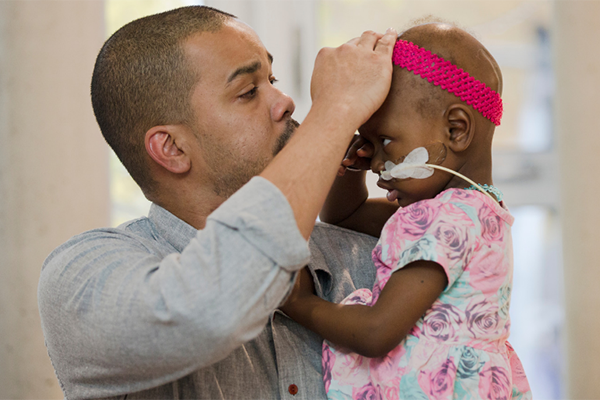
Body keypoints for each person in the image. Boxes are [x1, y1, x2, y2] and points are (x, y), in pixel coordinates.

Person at [37, 6, 398, 399]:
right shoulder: (81, 277)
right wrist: (336, 112)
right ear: (172, 148)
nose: (286, 102)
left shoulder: (382, 259)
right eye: (248, 92)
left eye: (272, 79)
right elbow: (207, 310)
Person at [280, 23, 533, 399]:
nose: (378, 162)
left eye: (385, 141)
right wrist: (350, 162)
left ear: (456, 129)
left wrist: (299, 302)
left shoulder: (446, 220)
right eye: (369, 142)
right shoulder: (471, 209)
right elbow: (345, 216)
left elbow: (375, 332)